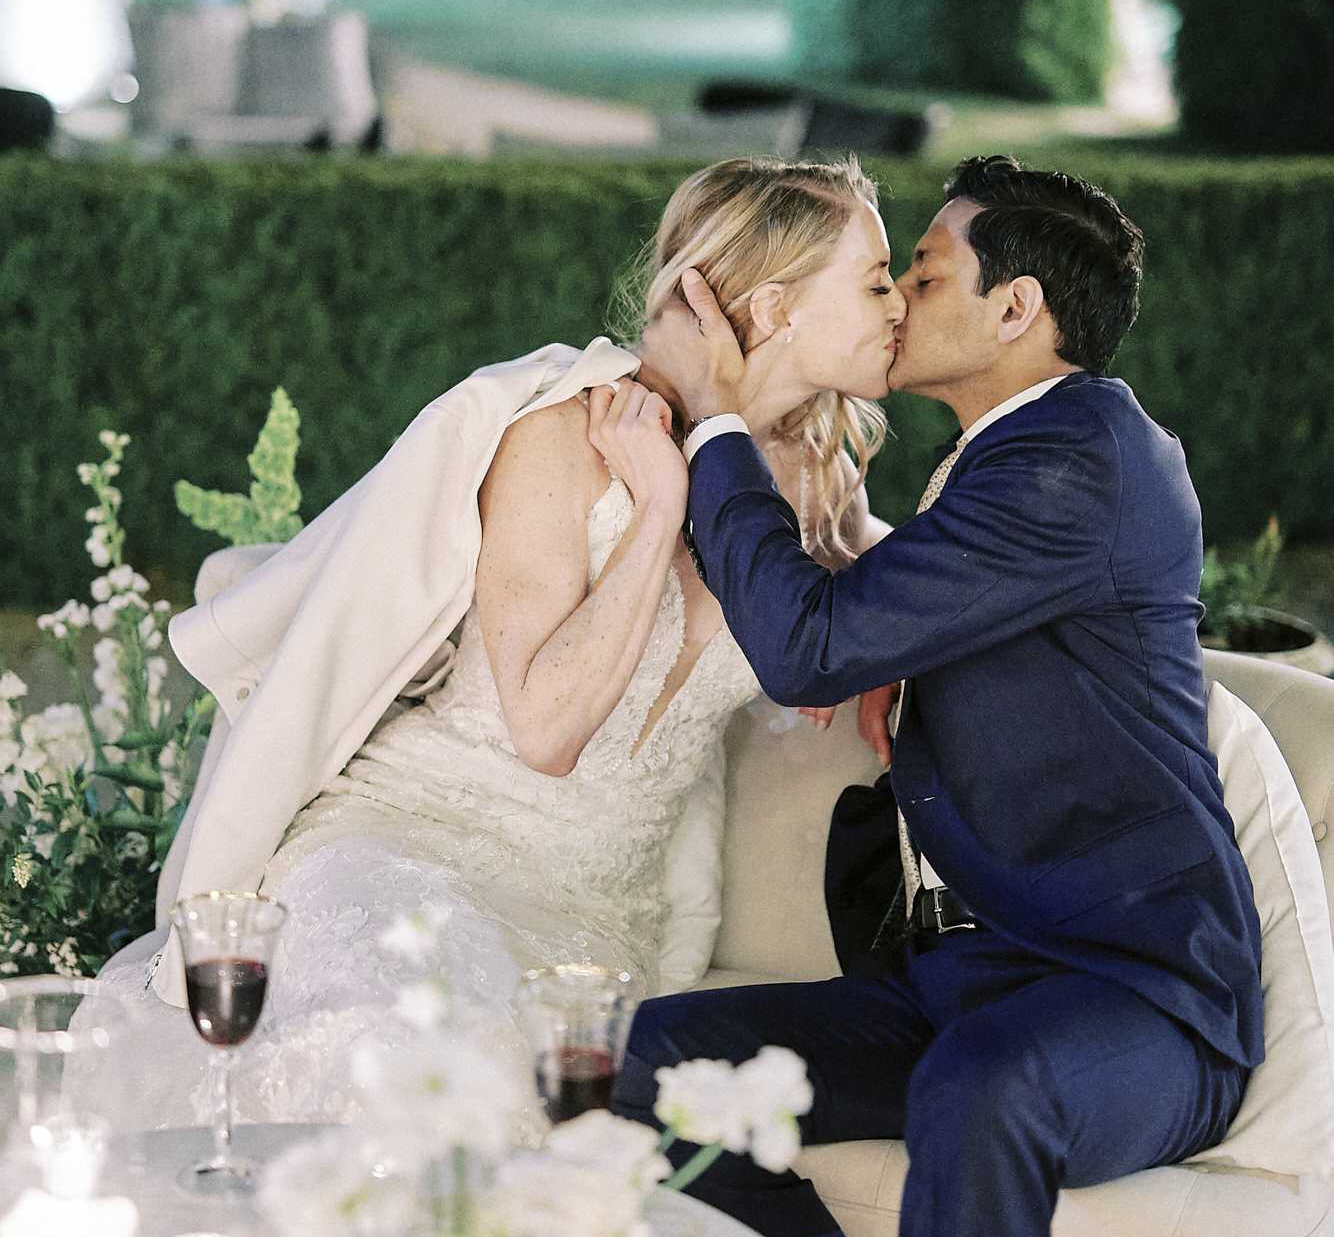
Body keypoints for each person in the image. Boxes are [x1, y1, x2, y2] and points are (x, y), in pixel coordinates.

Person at [611, 154, 1264, 1237]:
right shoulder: (1016, 457)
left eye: (927, 271)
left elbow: (806, 644)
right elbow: (873, 636)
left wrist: (718, 426)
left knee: (986, 1086)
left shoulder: (1080, 459)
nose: (899, 296)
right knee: (657, 1064)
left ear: (1016, 307)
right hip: (975, 981)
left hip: (1139, 998)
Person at [100, 157, 903, 1133]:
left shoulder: (815, 474)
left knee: (523, 1127)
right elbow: (545, 728)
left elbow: (899, 582)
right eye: (873, 281)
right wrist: (655, 510)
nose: (899, 304)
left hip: (595, 917)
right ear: (774, 309)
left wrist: (890, 662)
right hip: (414, 848)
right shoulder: (567, 439)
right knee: (413, 1055)